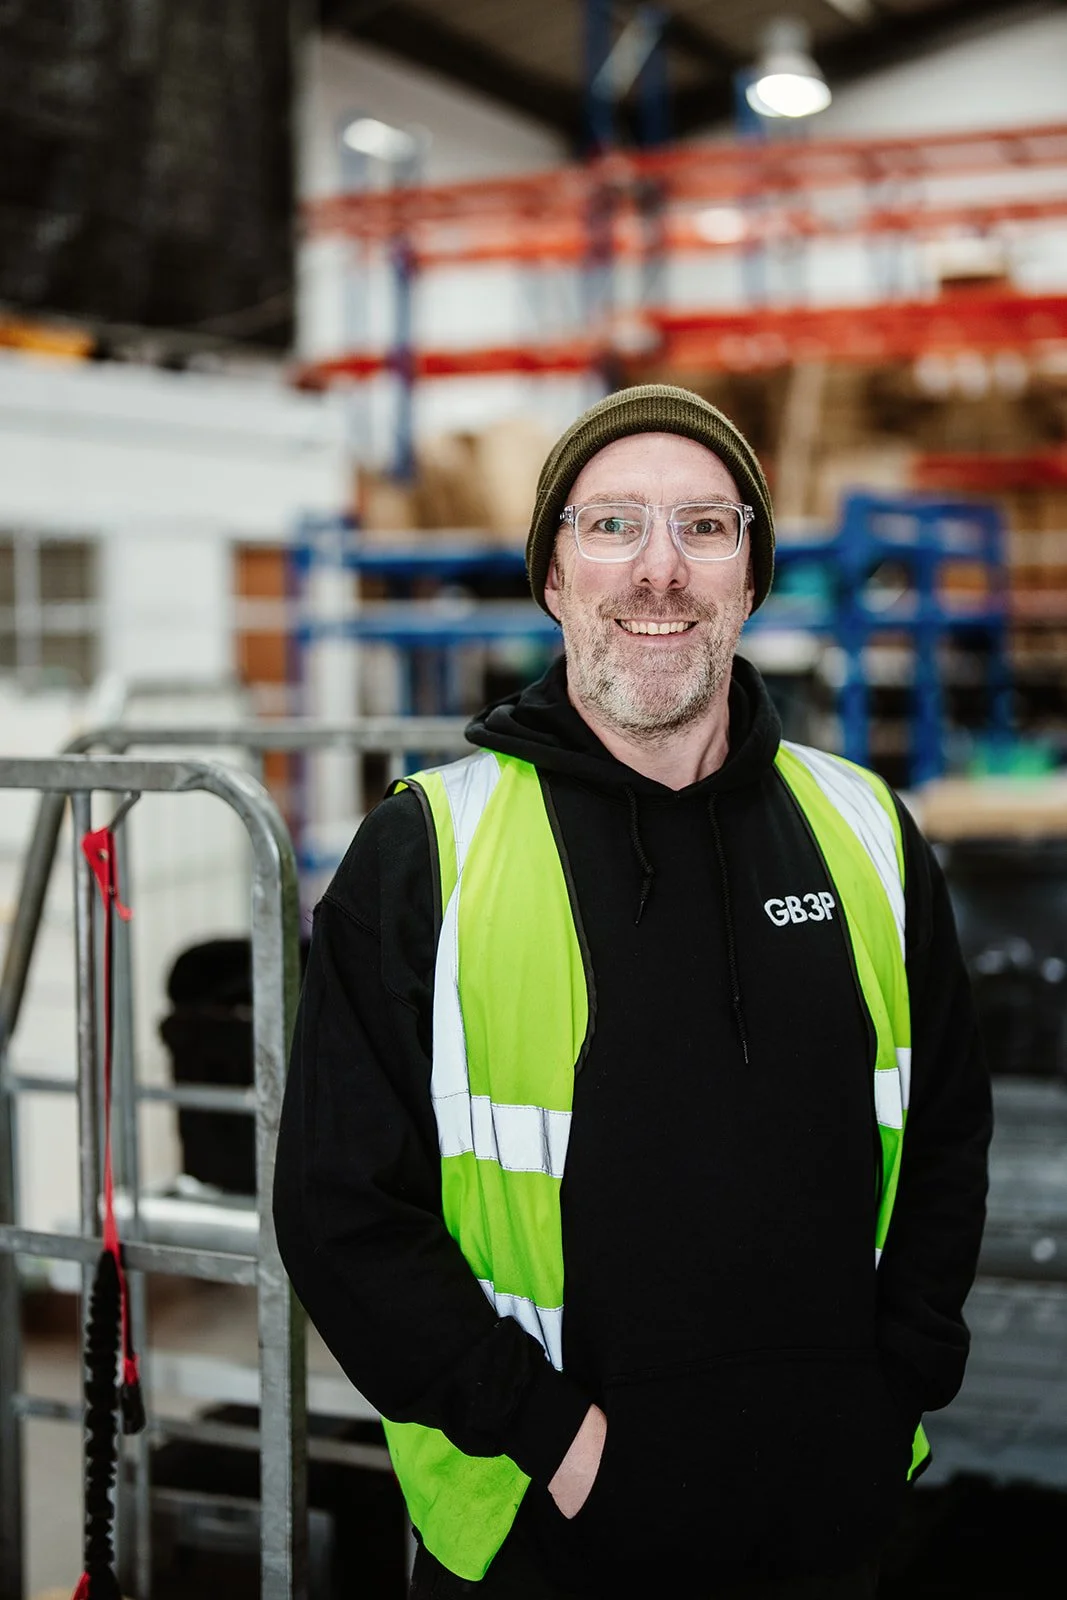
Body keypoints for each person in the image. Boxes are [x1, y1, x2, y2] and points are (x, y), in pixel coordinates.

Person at [273, 384, 991, 1599]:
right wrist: (557, 1445)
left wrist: (894, 1388)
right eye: (610, 525)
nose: (658, 570)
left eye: (704, 527)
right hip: (546, 1539)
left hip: (825, 1522)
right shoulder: (427, 855)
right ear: (552, 576)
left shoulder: (865, 830)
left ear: (750, 575)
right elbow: (342, 1214)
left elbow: (945, 1133)